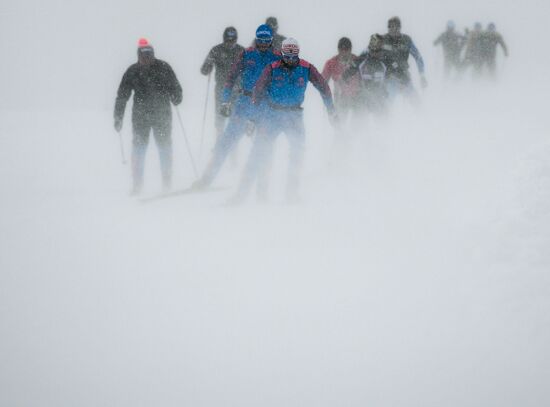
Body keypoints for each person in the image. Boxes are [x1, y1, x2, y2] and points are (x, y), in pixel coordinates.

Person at [231, 38, 337, 204]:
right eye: (286, 56)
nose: (289, 60)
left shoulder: (306, 68)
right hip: (272, 116)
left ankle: (291, 194)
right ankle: (250, 194)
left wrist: (331, 110)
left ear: (298, 54)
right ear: (281, 54)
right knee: (260, 153)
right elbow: (257, 93)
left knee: (297, 154)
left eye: (293, 56)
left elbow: (324, 87)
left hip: (294, 117)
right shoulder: (272, 68)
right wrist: (252, 118)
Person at [192, 24, 281, 189]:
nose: (262, 43)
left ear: (270, 40)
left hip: (264, 107)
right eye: (260, 40)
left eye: (266, 40)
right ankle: (206, 179)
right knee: (225, 142)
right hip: (243, 103)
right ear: (256, 39)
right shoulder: (246, 54)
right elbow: (230, 79)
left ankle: (262, 184)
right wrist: (225, 101)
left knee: (264, 146)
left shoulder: (276, 58)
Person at [114, 38, 182, 195]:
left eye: (149, 55)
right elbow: (122, 96)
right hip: (140, 117)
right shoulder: (132, 71)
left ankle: (167, 183)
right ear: (138, 55)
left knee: (164, 147)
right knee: (139, 149)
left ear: (153, 54)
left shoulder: (164, 68)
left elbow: (176, 88)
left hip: (162, 116)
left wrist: (176, 96)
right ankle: (137, 185)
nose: (146, 59)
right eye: (143, 56)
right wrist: (118, 116)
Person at [201, 27, 245, 138]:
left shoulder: (242, 51)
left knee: (235, 121)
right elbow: (204, 70)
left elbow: (249, 69)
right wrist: (208, 64)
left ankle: (234, 152)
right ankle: (218, 144)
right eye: (228, 40)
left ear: (236, 39)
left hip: (237, 90)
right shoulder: (216, 50)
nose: (230, 43)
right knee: (220, 119)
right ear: (224, 39)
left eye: (232, 40)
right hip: (221, 89)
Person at [382, 16, 427, 102]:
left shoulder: (406, 40)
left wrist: (422, 75)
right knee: (388, 101)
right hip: (389, 77)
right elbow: (369, 51)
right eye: (390, 27)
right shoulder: (383, 39)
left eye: (394, 27)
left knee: (416, 101)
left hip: (403, 76)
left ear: (399, 27)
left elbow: (418, 57)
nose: (392, 29)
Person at [322, 37, 362, 125]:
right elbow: (322, 82)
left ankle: (359, 136)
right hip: (340, 98)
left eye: (346, 49)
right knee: (340, 124)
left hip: (357, 96)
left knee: (358, 124)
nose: (344, 51)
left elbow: (365, 77)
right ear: (338, 49)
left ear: (350, 49)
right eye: (341, 49)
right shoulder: (331, 63)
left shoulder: (357, 61)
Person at [357, 34, 389, 115]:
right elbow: (351, 69)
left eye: (378, 51)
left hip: (379, 97)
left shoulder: (385, 60)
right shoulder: (362, 59)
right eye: (373, 50)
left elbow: (392, 73)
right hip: (364, 97)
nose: (375, 53)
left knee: (384, 117)